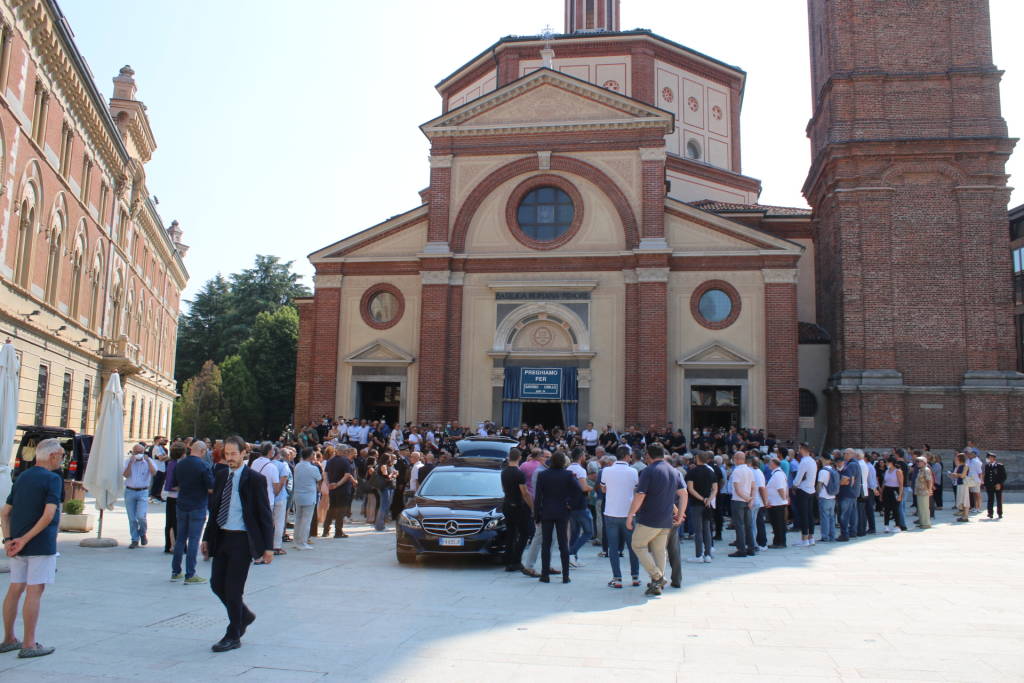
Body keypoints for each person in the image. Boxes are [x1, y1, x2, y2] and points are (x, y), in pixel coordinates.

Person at [201, 435, 275, 652]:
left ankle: (233, 634)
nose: (230, 458)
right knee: (216, 584)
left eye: (234, 454)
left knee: (233, 590)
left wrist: (268, 547)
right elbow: (214, 510)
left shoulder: (254, 479)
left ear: (244, 453)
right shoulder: (221, 474)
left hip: (242, 540)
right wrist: (206, 537)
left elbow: (264, 515)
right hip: (221, 536)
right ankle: (244, 616)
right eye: (227, 454)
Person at [0, 438, 63, 659]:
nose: (62, 460)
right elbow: (48, 515)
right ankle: (29, 643)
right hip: (39, 543)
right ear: (53, 455)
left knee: (15, 588)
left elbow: (5, 511)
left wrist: (9, 539)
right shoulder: (53, 479)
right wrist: (25, 539)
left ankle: (8, 638)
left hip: (16, 543)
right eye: (62, 456)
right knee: (35, 591)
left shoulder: (22, 476)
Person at [626, 443, 686, 596]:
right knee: (660, 551)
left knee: (637, 545)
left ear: (649, 456)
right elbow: (683, 494)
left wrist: (631, 514)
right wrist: (679, 515)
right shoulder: (674, 471)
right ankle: (657, 585)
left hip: (650, 517)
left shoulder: (648, 471)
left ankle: (658, 578)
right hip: (666, 518)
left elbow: (640, 495)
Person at [172, 439, 215, 583]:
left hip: (182, 503)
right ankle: (190, 574)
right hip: (197, 505)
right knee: (194, 540)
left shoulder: (180, 463)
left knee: (180, 539)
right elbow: (210, 487)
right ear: (202, 451)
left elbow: (174, 484)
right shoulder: (204, 465)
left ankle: (175, 571)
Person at [534, 452, 580, 584]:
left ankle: (545, 575)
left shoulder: (543, 475)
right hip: (562, 512)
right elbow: (578, 491)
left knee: (546, 545)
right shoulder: (568, 474)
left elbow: (538, 497)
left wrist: (536, 515)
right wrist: (570, 504)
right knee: (563, 544)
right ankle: (566, 576)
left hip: (547, 512)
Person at [602, 446, 640, 589]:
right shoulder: (633, 471)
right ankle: (635, 577)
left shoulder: (607, 470)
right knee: (632, 547)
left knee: (613, 547)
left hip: (611, 512)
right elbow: (636, 490)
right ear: (627, 456)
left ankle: (617, 578)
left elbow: (603, 489)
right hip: (628, 513)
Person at [500, 448, 533, 573]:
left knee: (511, 533)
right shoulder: (519, 473)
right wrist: (532, 507)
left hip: (507, 504)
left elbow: (504, 489)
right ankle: (516, 560)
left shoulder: (504, 472)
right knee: (524, 534)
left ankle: (508, 561)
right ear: (519, 458)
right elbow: (525, 493)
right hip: (518, 506)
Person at [684, 452, 717, 563]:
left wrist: (702, 499)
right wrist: (708, 499)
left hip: (696, 504)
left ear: (697, 458)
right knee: (707, 529)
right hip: (707, 504)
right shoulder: (710, 471)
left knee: (698, 530)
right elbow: (715, 489)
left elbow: (690, 489)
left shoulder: (692, 472)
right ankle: (707, 555)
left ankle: (699, 555)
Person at [123, 443, 156, 549]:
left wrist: (147, 461)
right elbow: (125, 475)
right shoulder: (128, 461)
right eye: (136, 452)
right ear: (132, 452)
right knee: (132, 518)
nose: (138, 454)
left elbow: (154, 472)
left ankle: (142, 533)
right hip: (130, 491)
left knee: (141, 516)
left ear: (143, 452)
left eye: (140, 452)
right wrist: (130, 463)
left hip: (143, 491)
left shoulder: (148, 461)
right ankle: (134, 539)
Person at [566, 447, 593, 568]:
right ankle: (571, 554)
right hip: (580, 504)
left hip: (570, 504)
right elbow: (584, 487)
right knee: (588, 532)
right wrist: (591, 488)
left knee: (575, 532)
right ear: (581, 456)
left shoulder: (568, 468)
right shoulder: (581, 470)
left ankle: (572, 558)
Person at [292, 447, 322, 549]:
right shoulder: (313, 468)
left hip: (298, 495)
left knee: (298, 519)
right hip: (309, 496)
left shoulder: (297, 466)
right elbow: (319, 480)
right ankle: (303, 542)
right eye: (313, 455)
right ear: (310, 456)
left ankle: (296, 541)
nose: (315, 456)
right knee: (306, 520)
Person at [727, 451, 756, 557]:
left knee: (739, 526)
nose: (734, 460)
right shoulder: (750, 470)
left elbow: (737, 489)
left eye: (734, 458)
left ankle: (741, 549)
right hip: (747, 501)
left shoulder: (737, 471)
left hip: (738, 500)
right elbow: (754, 487)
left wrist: (747, 498)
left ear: (738, 459)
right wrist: (751, 499)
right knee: (748, 526)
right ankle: (751, 548)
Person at [792, 445, 817, 547]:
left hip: (803, 490)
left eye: (799, 449)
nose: (798, 451)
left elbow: (799, 476)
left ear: (803, 450)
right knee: (810, 514)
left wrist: (794, 485)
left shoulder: (804, 461)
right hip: (811, 489)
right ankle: (811, 538)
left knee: (804, 515)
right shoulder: (813, 461)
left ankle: (804, 539)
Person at [163, 442, 184, 554]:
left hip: (172, 497)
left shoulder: (171, 463)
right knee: (176, 522)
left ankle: (169, 545)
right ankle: (175, 545)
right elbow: (171, 483)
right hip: (177, 496)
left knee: (170, 522)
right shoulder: (178, 464)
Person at [837, 449, 862, 541]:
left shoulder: (851, 465)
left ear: (851, 454)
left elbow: (845, 480)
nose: (844, 455)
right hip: (853, 493)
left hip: (847, 493)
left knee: (844, 515)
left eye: (845, 453)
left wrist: (836, 485)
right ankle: (852, 532)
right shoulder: (856, 464)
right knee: (852, 514)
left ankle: (844, 534)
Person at [765, 457, 789, 547]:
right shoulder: (778, 474)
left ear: (774, 464)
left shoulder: (778, 474)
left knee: (778, 524)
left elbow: (780, 488)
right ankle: (778, 541)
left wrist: (783, 499)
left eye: (770, 463)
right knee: (777, 523)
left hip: (777, 503)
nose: (768, 465)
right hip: (776, 502)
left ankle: (779, 542)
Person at [815, 456, 837, 542]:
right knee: (831, 518)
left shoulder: (823, 471)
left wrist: (817, 494)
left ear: (825, 460)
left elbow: (819, 484)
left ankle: (825, 536)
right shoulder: (833, 470)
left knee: (824, 518)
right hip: (832, 496)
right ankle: (832, 536)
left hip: (824, 496)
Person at [912, 453, 933, 529]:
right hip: (919, 492)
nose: (917, 463)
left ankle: (926, 523)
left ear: (924, 462)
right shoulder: (920, 470)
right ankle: (922, 522)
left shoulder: (926, 470)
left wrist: (929, 489)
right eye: (917, 462)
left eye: (919, 461)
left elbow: (929, 480)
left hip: (924, 491)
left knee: (924, 508)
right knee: (920, 508)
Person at [983, 452, 1006, 520]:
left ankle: (1000, 513)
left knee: (998, 500)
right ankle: (990, 513)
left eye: (989, 458)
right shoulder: (987, 466)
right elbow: (986, 476)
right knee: (990, 499)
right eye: (988, 458)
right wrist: (985, 484)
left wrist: (999, 483)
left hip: (997, 485)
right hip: (989, 486)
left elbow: (1004, 476)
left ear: (993, 458)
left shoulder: (999, 466)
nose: (988, 459)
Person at [950, 453, 970, 522]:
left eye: (957, 458)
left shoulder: (965, 466)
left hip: (964, 484)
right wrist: (952, 475)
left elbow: (963, 475)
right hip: (959, 484)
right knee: (961, 501)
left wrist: (956, 474)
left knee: (965, 500)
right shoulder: (959, 466)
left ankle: (966, 516)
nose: (955, 459)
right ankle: (963, 516)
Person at [148, 436, 169, 503]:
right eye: (161, 440)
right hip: (157, 468)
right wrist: (165, 457)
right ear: (157, 440)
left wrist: (165, 457)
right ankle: (153, 496)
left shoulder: (160, 448)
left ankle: (158, 496)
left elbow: (165, 456)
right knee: (156, 483)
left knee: (160, 483)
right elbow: (161, 458)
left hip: (162, 468)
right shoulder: (156, 448)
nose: (163, 441)